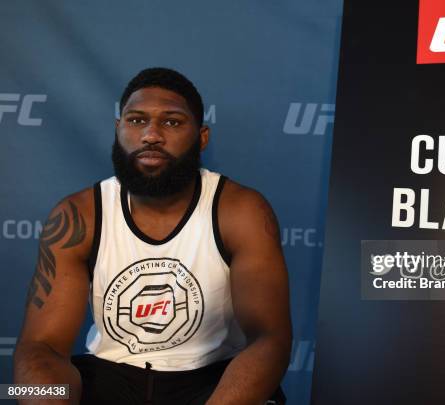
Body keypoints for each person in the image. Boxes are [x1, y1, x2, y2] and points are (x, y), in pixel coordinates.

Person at [13, 67, 292, 404]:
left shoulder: (240, 210)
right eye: (136, 120)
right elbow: (40, 346)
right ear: (118, 130)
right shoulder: (78, 215)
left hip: (211, 380)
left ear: (201, 137)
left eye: (172, 122)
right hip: (110, 375)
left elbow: (271, 340)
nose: (150, 135)